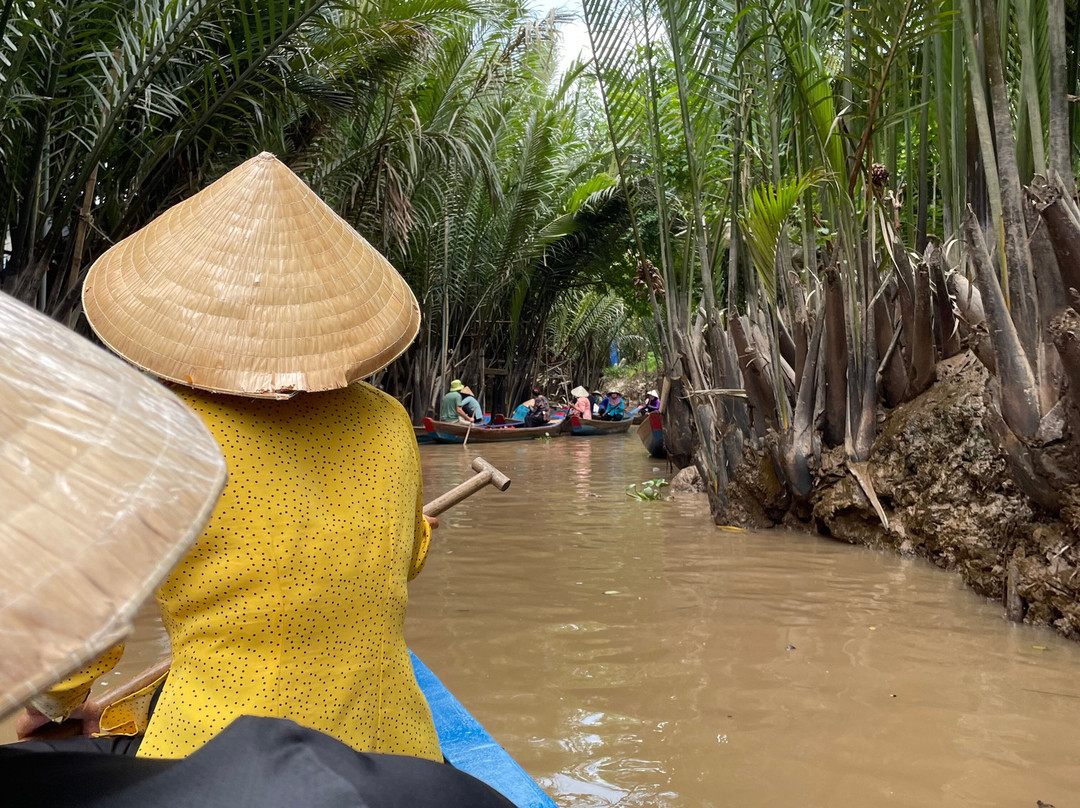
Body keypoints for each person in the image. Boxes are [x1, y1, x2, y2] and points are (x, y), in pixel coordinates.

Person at [22, 153, 443, 762]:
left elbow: (89, 616)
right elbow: (403, 558)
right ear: (324, 314)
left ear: (192, 311)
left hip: (224, 760)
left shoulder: (157, 431)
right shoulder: (388, 421)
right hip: (394, 754)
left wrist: (55, 706)